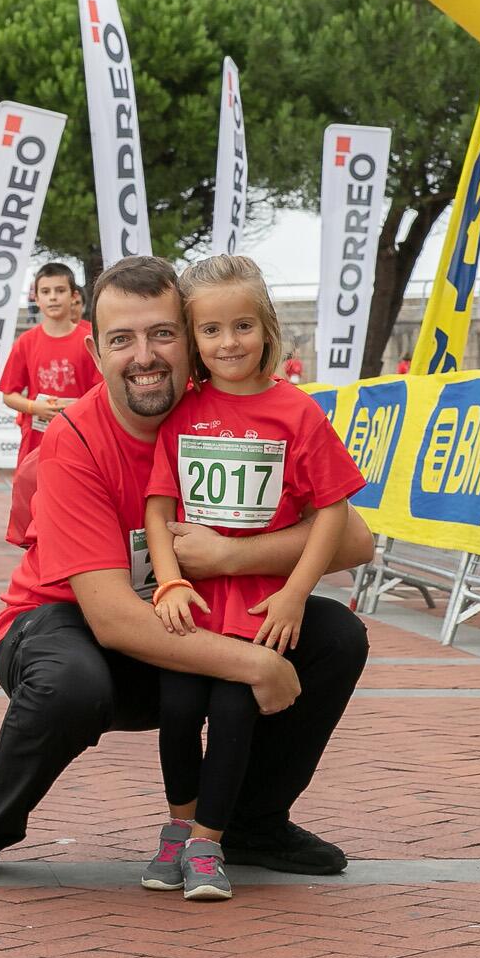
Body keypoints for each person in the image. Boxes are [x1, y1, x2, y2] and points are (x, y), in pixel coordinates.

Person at [0, 256, 373, 888]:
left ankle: (252, 822)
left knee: (336, 636)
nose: (144, 355)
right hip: (71, 629)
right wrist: (257, 663)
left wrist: (232, 556)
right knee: (72, 681)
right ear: (96, 350)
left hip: (199, 617)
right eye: (122, 339)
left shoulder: (235, 412)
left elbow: (356, 539)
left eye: (162, 334)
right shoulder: (75, 440)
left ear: (191, 336)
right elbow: (113, 617)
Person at [137, 255, 365, 900]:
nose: (227, 342)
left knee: (236, 711)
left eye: (242, 326)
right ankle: (178, 831)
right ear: (193, 338)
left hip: (260, 609)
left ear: (266, 327)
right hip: (192, 608)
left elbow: (333, 510)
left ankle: (211, 843)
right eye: (210, 331)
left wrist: (296, 592)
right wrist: (170, 580)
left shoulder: (297, 413)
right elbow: (159, 504)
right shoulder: (185, 410)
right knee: (179, 711)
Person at [0, 262, 98, 467]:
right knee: (31, 495)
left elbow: (103, 393)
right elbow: (9, 395)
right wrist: (34, 407)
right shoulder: (25, 342)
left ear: (73, 296)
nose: (53, 297)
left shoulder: (88, 341)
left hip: (81, 437)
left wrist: (75, 405)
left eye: (60, 290)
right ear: (37, 298)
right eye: (45, 291)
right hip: (36, 439)